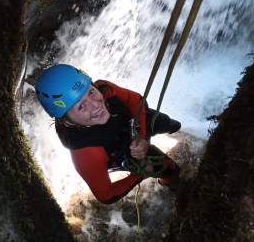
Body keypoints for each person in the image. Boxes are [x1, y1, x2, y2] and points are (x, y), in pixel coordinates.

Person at [35, 64, 181, 204]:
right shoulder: (86, 154)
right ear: (68, 122)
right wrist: (140, 174)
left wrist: (141, 137)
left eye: (91, 92)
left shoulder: (104, 89)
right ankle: (170, 184)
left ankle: (171, 131)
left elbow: (136, 100)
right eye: (81, 106)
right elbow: (106, 195)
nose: (96, 104)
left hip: (132, 124)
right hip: (124, 151)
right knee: (170, 170)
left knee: (170, 124)